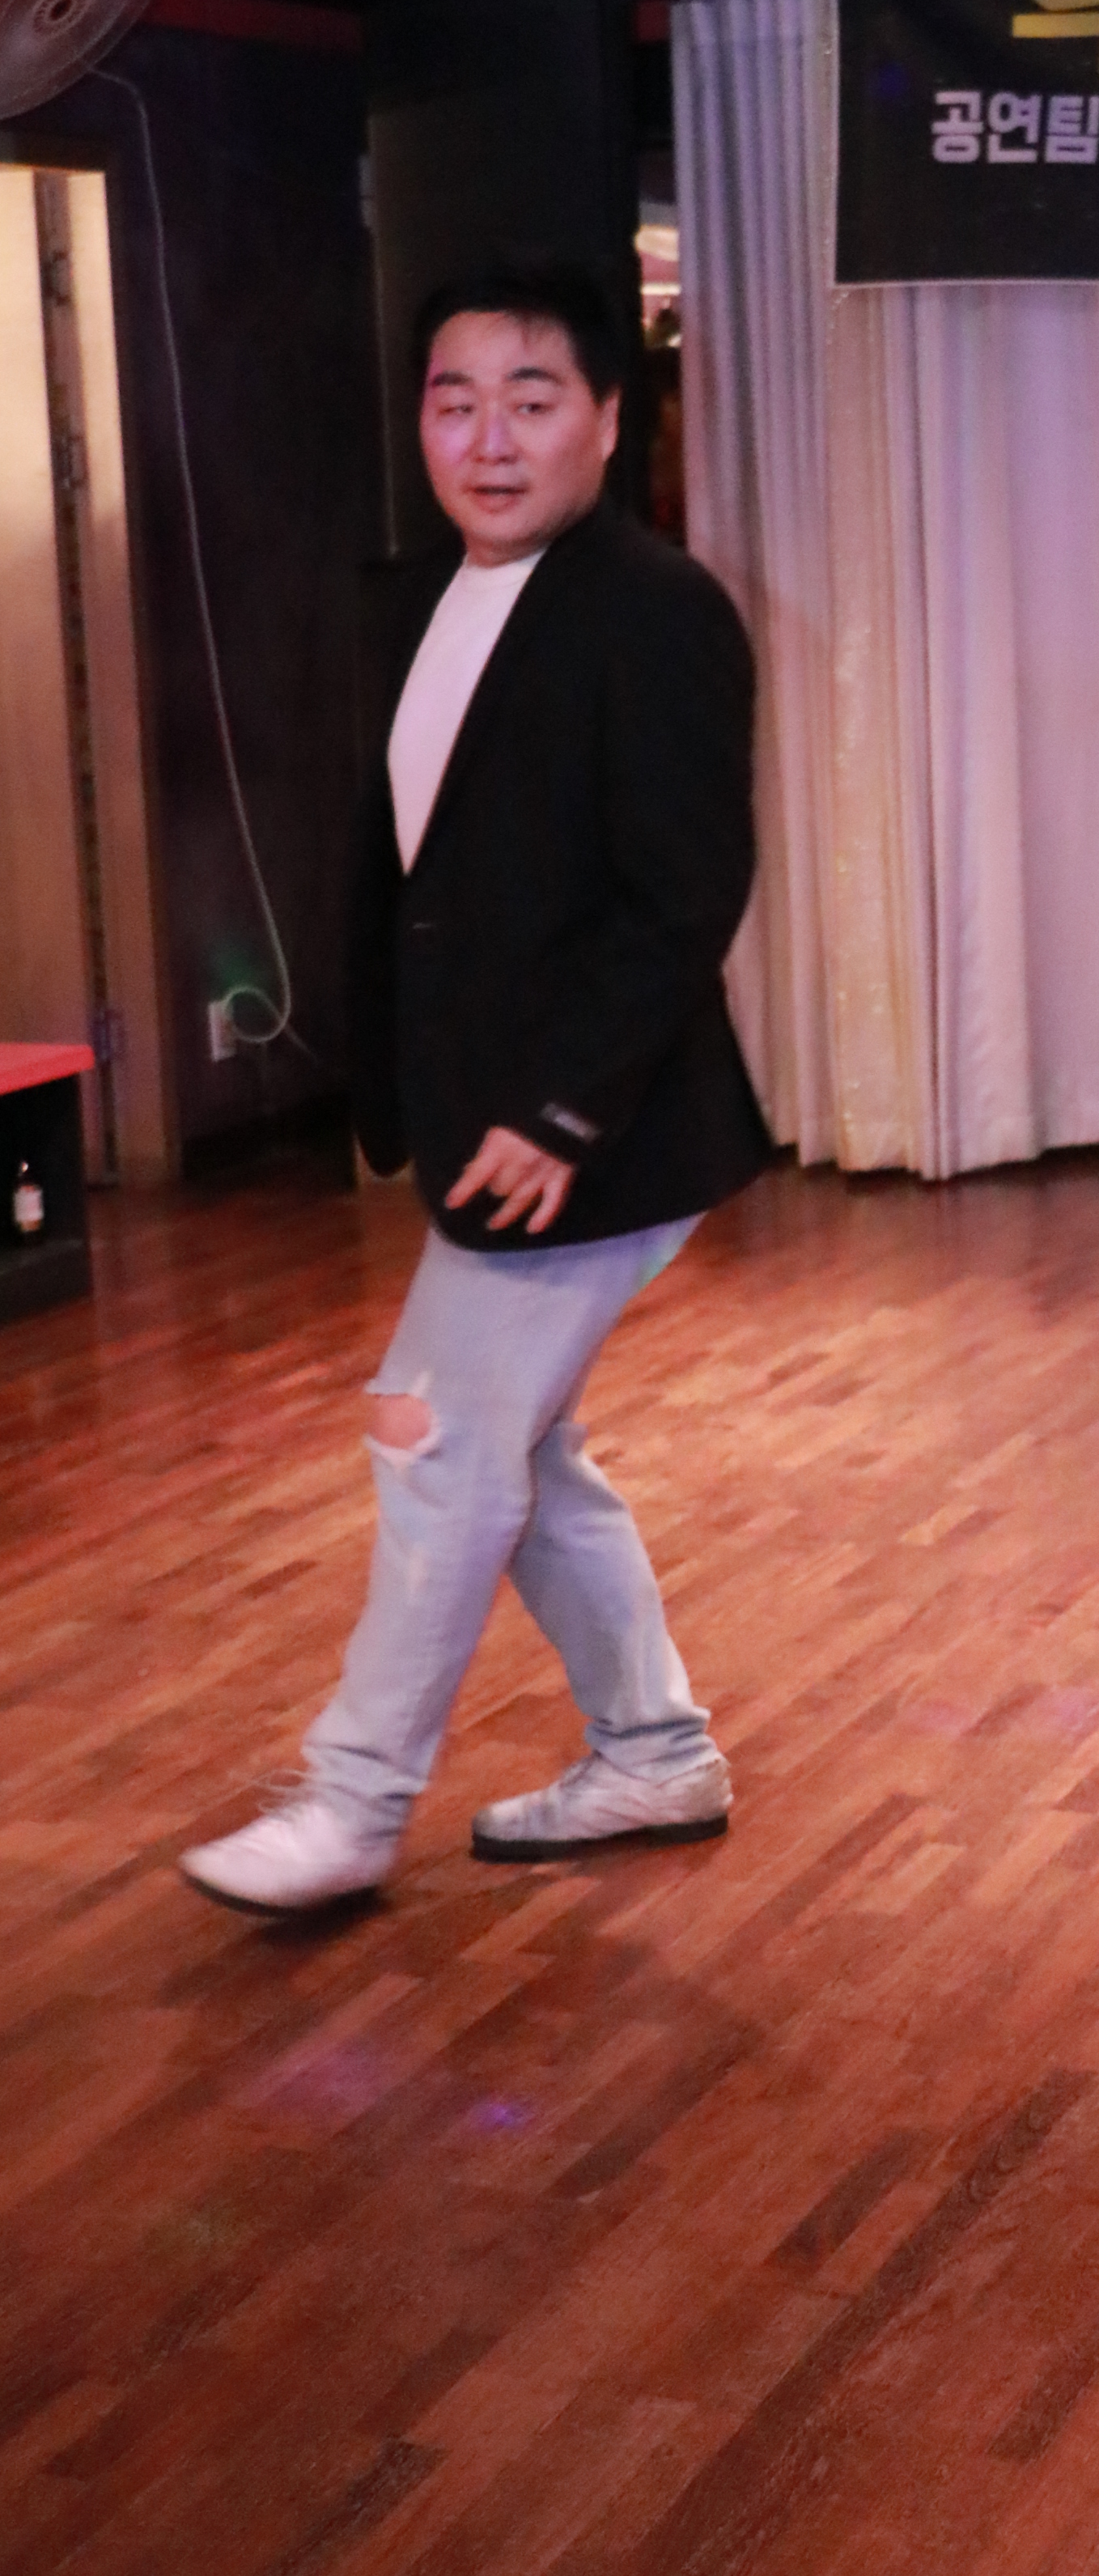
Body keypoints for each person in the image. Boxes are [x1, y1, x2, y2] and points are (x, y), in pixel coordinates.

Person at [183, 257, 771, 1917]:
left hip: (587, 1133)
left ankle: (354, 1801)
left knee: (435, 1437)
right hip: (484, 1115)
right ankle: (653, 1751)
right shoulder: (426, 599)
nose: (489, 439)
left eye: (531, 399)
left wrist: (563, 1107)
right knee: (522, 1453)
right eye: (455, 402)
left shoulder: (654, 610)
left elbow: (684, 893)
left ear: (606, 418)